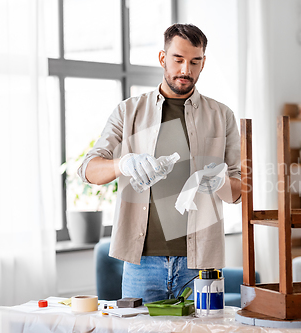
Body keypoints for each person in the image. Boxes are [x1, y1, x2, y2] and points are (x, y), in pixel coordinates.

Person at [77, 24, 241, 303]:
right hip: (141, 264)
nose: (186, 70)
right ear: (163, 58)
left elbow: (239, 191)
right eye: (178, 59)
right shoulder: (129, 111)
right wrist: (124, 164)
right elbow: (88, 169)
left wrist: (221, 181)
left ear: (203, 62)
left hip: (200, 265)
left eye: (195, 61)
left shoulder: (221, 115)